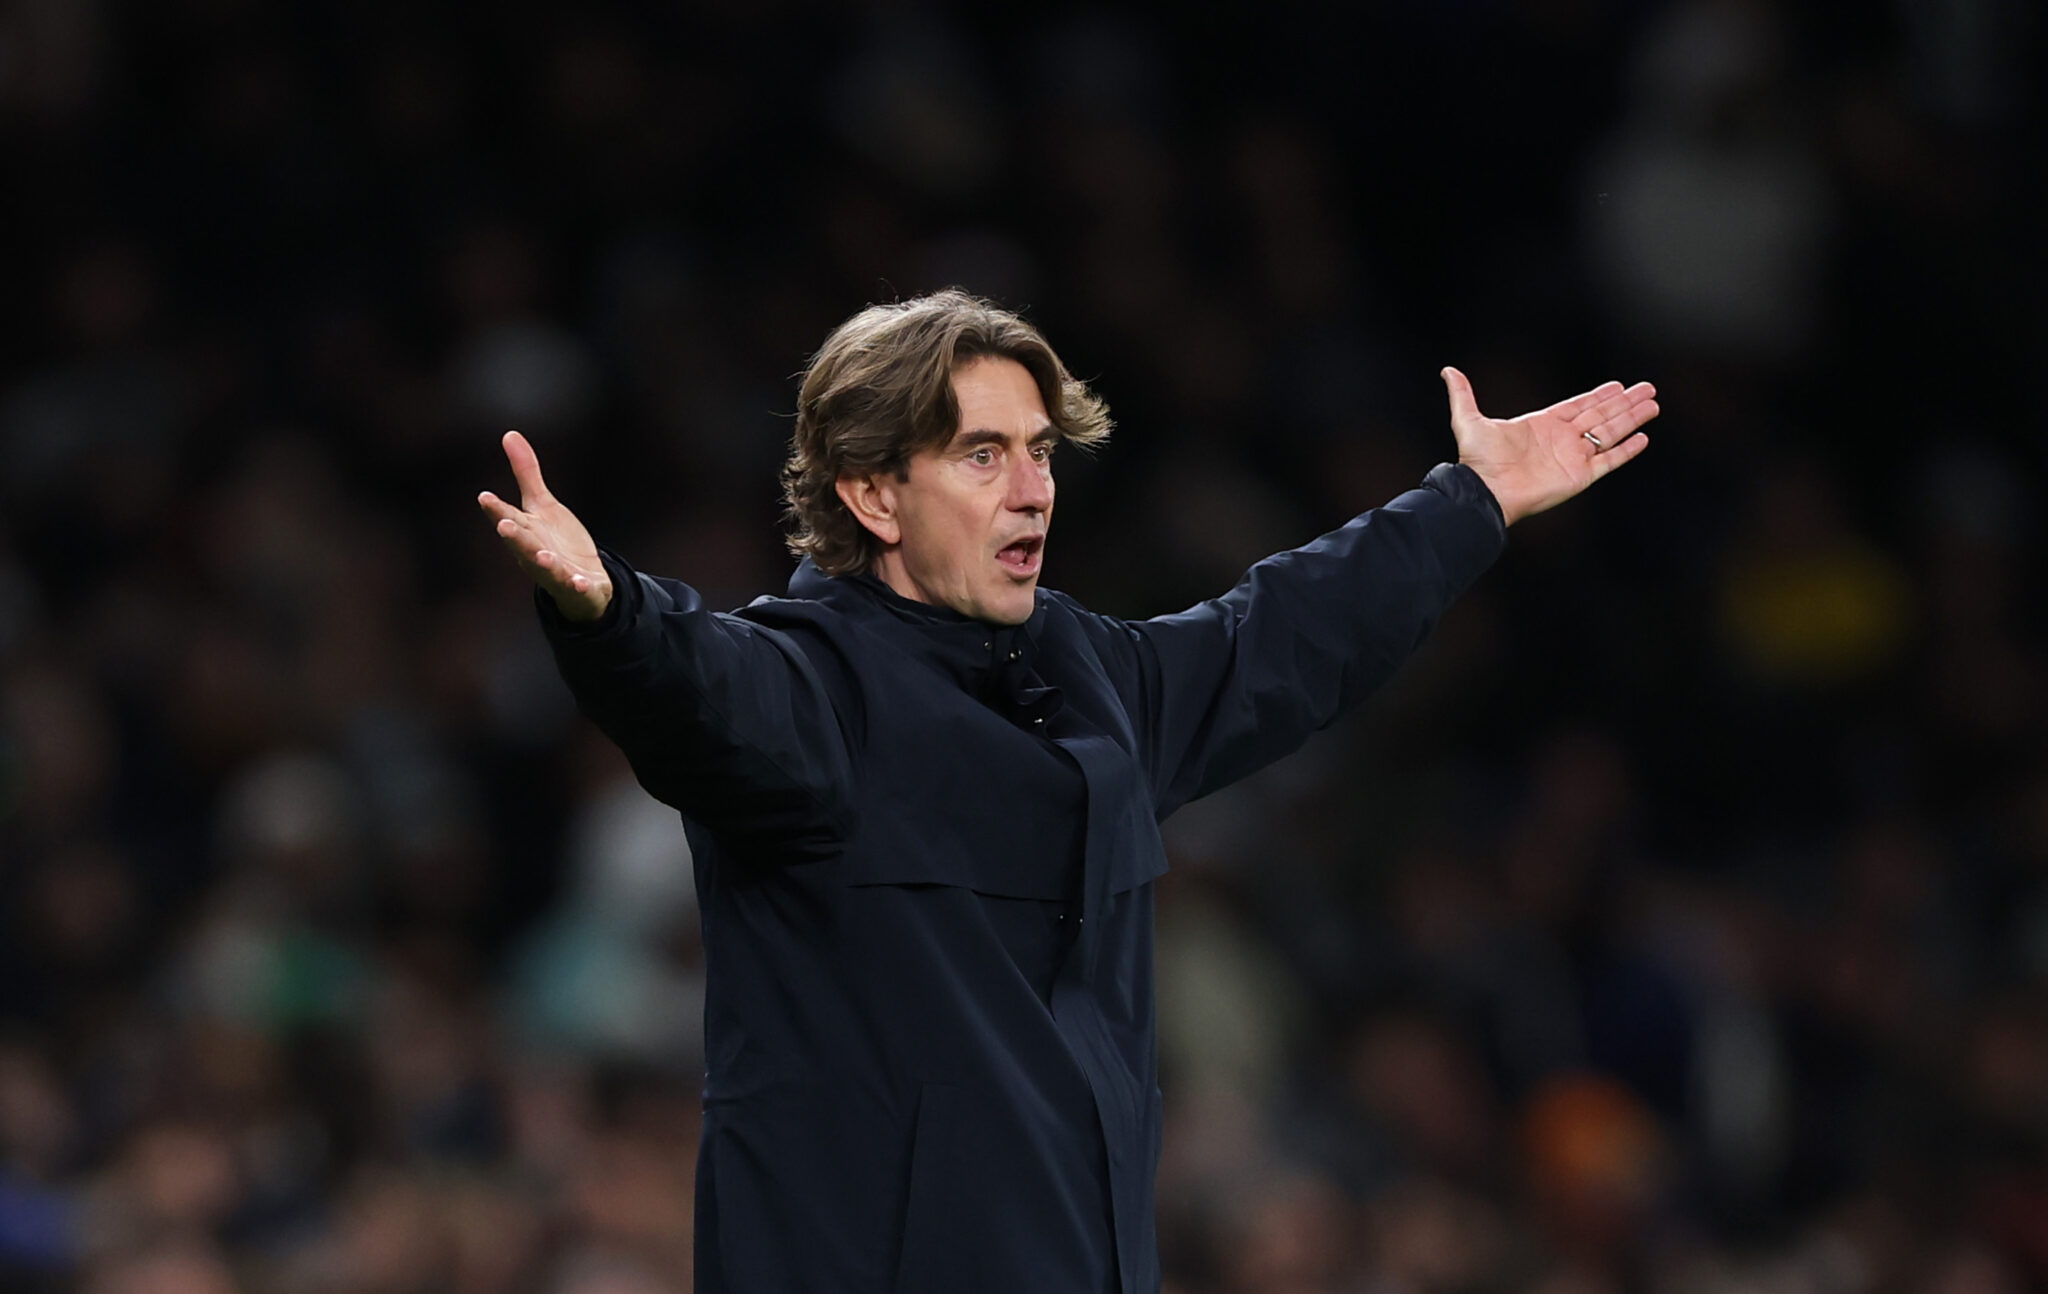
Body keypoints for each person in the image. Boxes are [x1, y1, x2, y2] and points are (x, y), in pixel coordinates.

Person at [477, 289, 1657, 1294]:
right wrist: (609, 612)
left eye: (1040, 450)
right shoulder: (806, 688)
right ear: (873, 495)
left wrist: (1468, 501)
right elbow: (693, 684)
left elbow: (1281, 635)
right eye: (981, 454)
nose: (1033, 489)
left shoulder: (1088, 674)